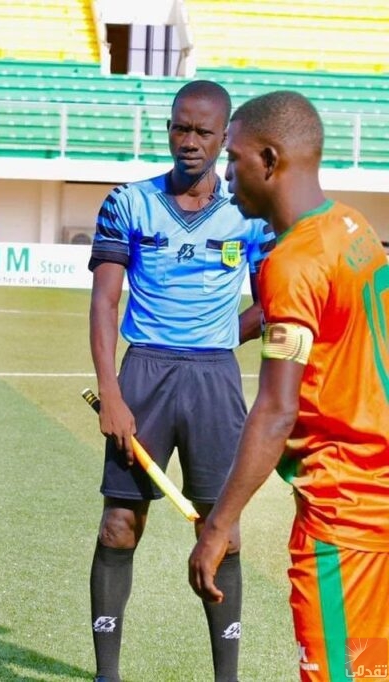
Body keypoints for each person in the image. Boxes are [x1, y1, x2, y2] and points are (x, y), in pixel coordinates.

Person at [189, 91, 389, 681]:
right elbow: (328, 320)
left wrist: (218, 526)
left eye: (234, 158)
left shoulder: (292, 262)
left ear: (270, 160)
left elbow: (276, 411)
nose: (225, 175)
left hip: (342, 513)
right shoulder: (351, 226)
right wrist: (236, 329)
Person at [87, 80, 274, 682]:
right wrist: (110, 392)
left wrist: (222, 334)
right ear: (169, 128)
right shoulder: (127, 202)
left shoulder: (250, 214)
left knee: (223, 527)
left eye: (202, 132)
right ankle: (107, 673)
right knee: (120, 524)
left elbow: (276, 301)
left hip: (214, 379)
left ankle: (227, 675)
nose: (189, 142)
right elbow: (103, 303)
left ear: (225, 139)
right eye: (179, 128)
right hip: (142, 373)